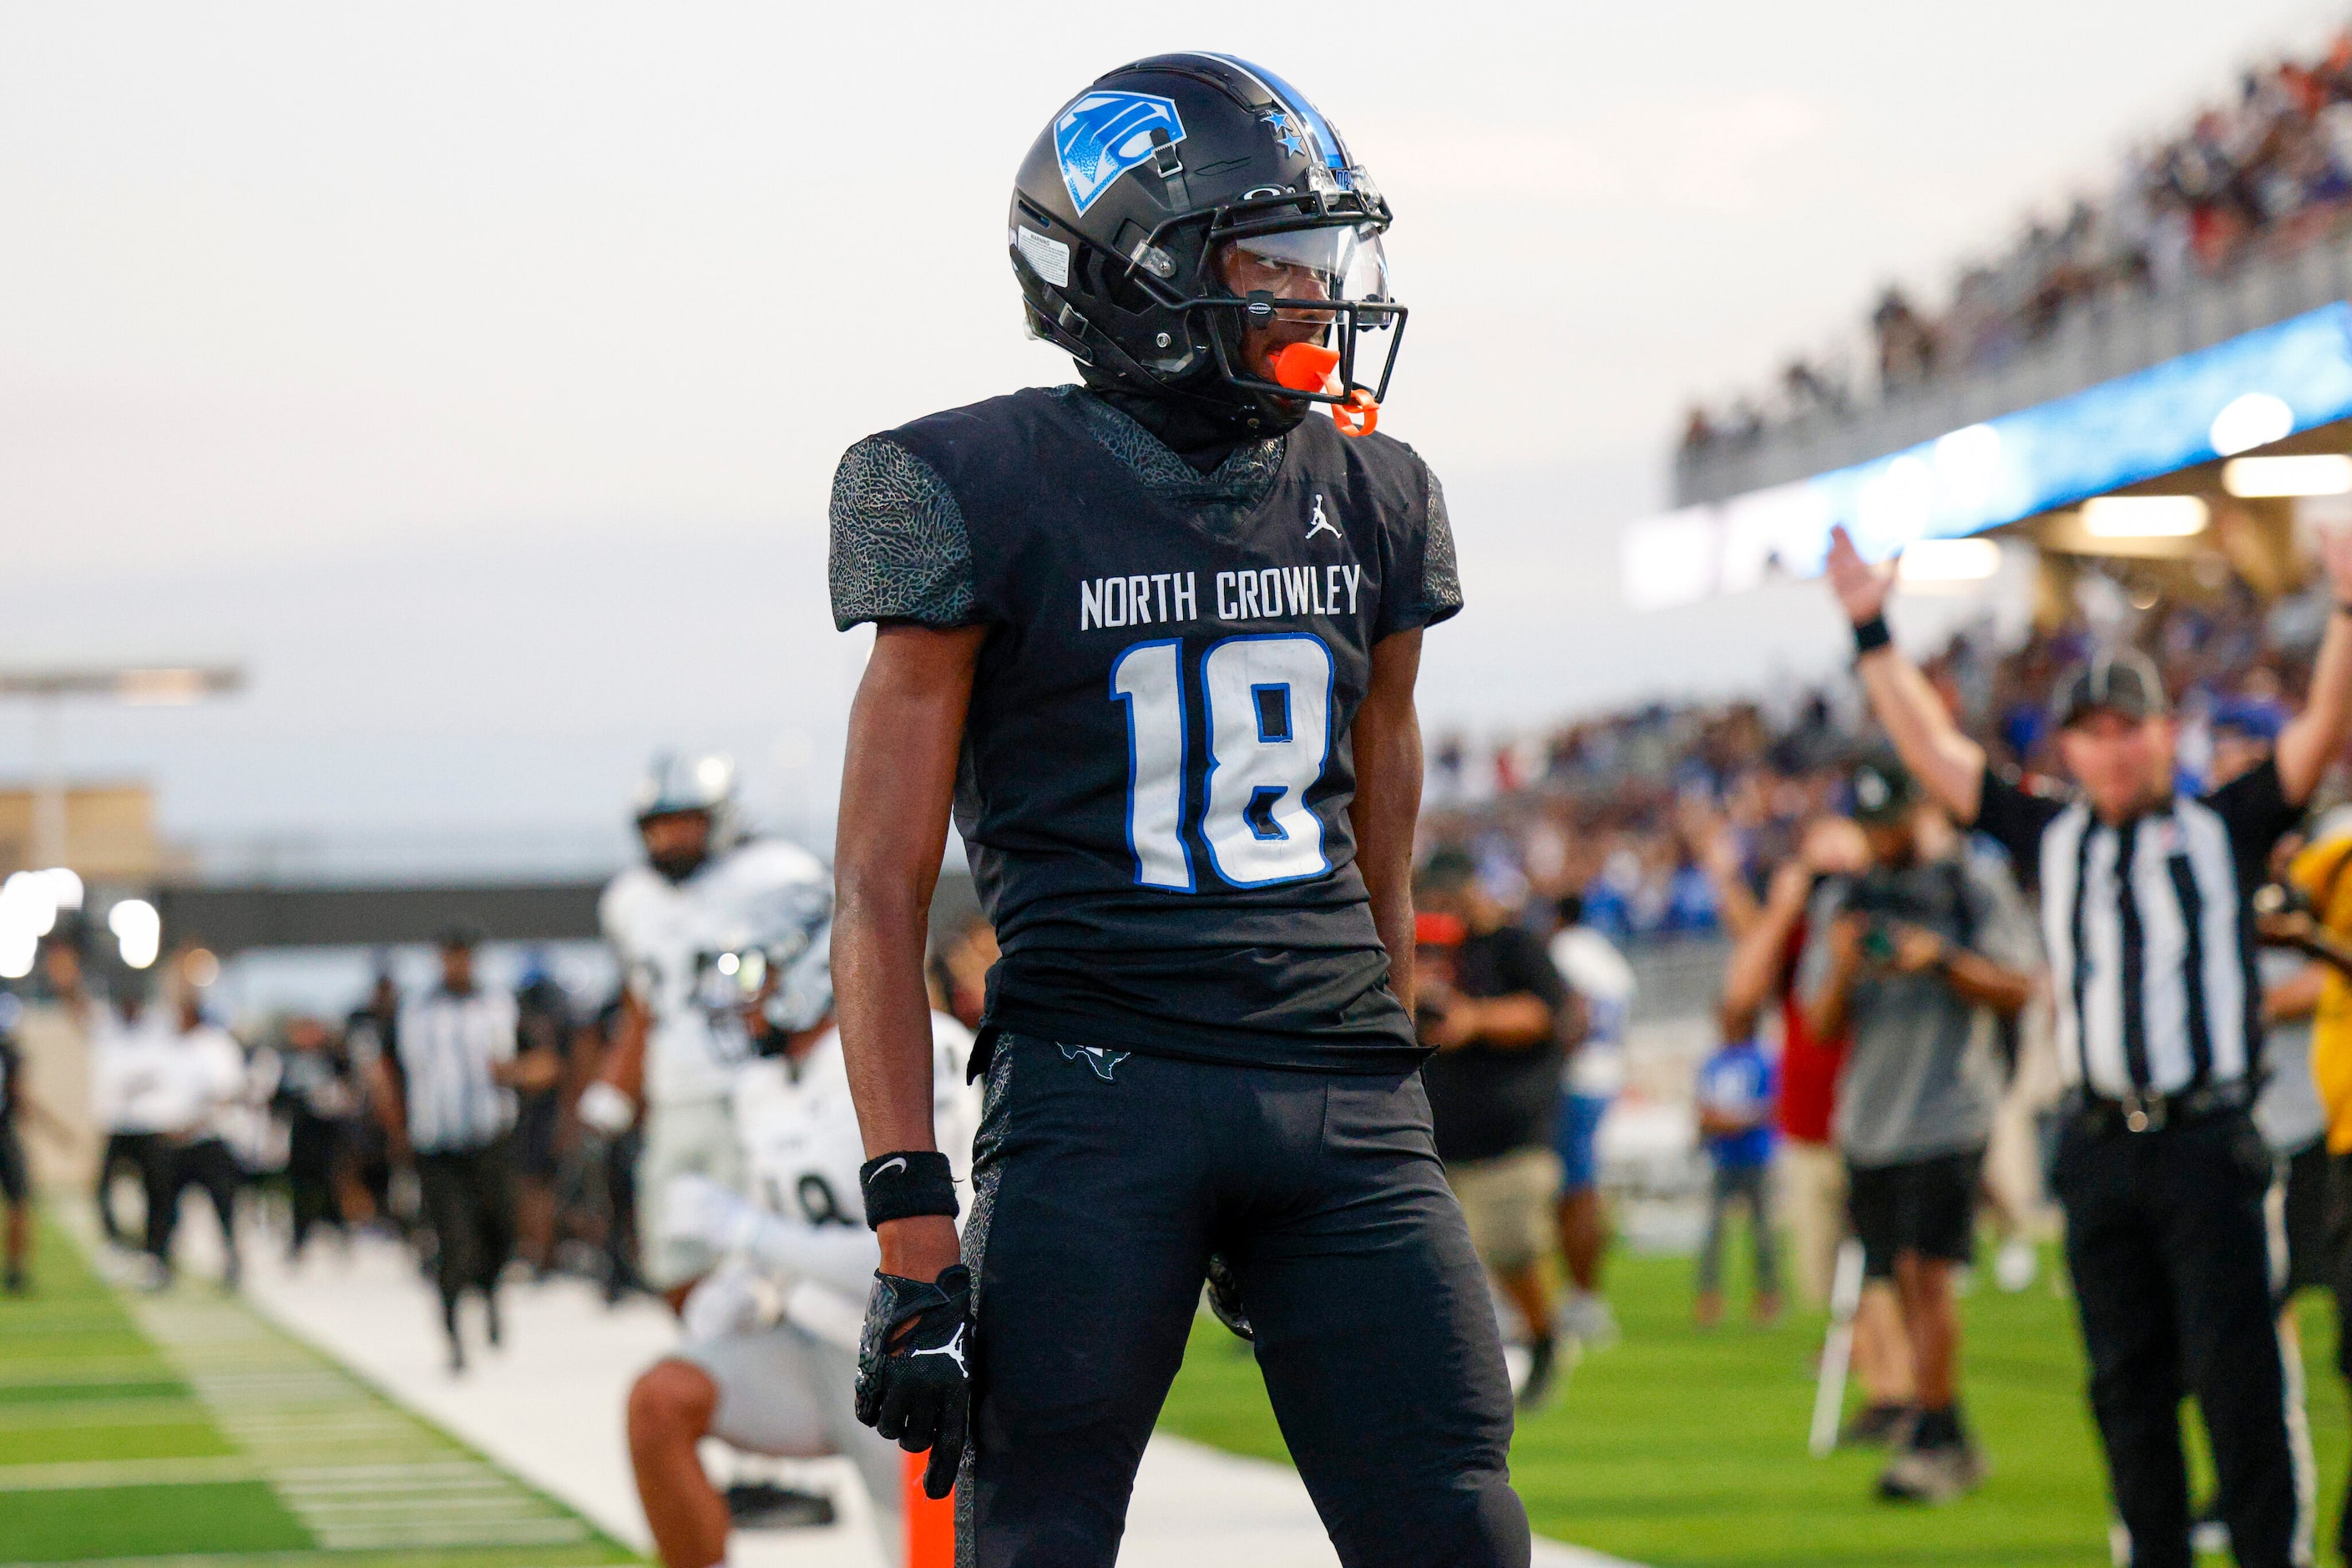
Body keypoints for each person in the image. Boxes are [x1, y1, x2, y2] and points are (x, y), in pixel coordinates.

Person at [830, 53, 1524, 1567]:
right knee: (1037, 1536)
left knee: (1458, 1529)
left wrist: (1380, 1059)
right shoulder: (965, 484)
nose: (1312, 295)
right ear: (1133, 267)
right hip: (1099, 1087)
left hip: (1337, 1092)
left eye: (1319, 256)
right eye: (1267, 256)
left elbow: (1378, 842)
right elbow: (878, 891)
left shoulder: (1381, 493)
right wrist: (909, 1222)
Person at [1827, 518, 2352, 1565]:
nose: (2111, 750)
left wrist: (2345, 607)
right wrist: (1872, 630)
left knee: (2239, 1374)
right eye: (2092, 732)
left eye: (2129, 730)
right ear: (2068, 744)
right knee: (2125, 1381)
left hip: (2208, 1137)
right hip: (2102, 1144)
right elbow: (1936, 756)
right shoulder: (2050, 834)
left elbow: (2319, 732)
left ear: (2164, 735)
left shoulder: (2222, 826)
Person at [626, 893, 980, 1568]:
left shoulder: (923, 1052)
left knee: (934, 1558)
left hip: (919, 1354)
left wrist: (752, 1236)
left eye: (752, 976)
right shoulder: (763, 1086)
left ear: (814, 972)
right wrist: (745, 1287)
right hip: (815, 1343)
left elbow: (938, 1256)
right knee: (662, 1400)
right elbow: (786, 1234)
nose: (739, 1001)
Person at [1799, 752, 2036, 1500]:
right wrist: (1844, 965)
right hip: (1870, 1119)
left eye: (1890, 822)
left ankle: (1937, 1433)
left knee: (1924, 1275)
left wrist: (1937, 959)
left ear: (1920, 811)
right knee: (1899, 1282)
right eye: (1868, 827)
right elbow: (1818, 1022)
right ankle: (1947, 1428)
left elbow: (2017, 988)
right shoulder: (1842, 900)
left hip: (1950, 1107)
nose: (1881, 840)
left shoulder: (1970, 883)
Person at [586, 753, 832, 1312]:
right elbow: (642, 1004)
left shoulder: (777, 875)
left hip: (759, 1088)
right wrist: (615, 1091)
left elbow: (825, 978)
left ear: (719, 816)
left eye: (682, 821)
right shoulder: (629, 900)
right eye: (655, 825)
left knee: (759, 1260)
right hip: (675, 1096)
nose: (667, 838)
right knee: (672, 1257)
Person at [1416, 849, 1574, 1407]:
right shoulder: (1420, 950)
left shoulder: (1511, 946)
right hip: (1435, 1135)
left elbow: (1546, 1015)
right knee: (1432, 1267)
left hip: (1508, 1132)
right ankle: (1455, 1366)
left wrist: (1475, 1019)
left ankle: (1543, 1338)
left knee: (1511, 1250)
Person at [377, 925, 555, 1372]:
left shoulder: (500, 1006)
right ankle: (454, 1332)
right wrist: (396, 1132)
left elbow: (546, 1062)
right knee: (453, 1239)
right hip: (436, 1144)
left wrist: (513, 1072)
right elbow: (388, 1075)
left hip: (489, 1139)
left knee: (500, 1229)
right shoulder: (414, 1012)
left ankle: (492, 1293)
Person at [1548, 892, 1631, 1348]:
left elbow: (1576, 1011)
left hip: (1575, 1079)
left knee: (1576, 1190)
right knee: (1583, 1187)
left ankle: (1584, 1298)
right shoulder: (1609, 957)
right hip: (1606, 1076)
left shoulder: (1564, 951)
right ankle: (1584, 1294)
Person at [1693, 999, 1778, 1327]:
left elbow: (1772, 1107)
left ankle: (1767, 1298)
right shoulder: (1712, 1062)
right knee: (1714, 1234)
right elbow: (1702, 1108)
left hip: (1755, 1156)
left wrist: (1732, 1121)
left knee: (1763, 1234)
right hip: (1722, 1159)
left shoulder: (1762, 1060)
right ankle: (1709, 1299)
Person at [0, 992, 76, 1293]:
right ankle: (15, 1271)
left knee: (20, 1201)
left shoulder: (10, 1052)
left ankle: (16, 1271)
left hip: (4, 1132)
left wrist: (55, 1130)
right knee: (19, 1202)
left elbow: (19, 1097)